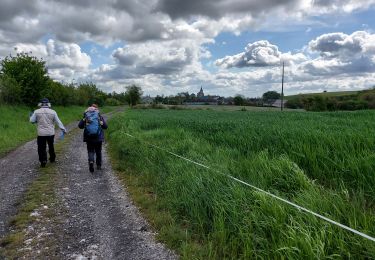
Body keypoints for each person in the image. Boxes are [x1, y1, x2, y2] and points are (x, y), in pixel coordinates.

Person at [30, 98, 66, 167]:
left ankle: (43, 161)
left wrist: (34, 118)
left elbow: (32, 121)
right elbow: (58, 121)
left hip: (41, 133)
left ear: (40, 104)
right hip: (50, 133)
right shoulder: (53, 112)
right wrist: (63, 129)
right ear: (48, 104)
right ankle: (52, 158)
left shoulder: (36, 111)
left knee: (41, 147)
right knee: (51, 145)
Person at [78, 104, 108, 173]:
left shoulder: (86, 116)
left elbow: (80, 126)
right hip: (98, 137)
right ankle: (99, 165)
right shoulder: (99, 116)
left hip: (89, 138)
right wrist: (101, 123)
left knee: (90, 150)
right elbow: (105, 127)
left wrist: (84, 120)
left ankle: (91, 161)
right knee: (98, 151)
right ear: (96, 109)